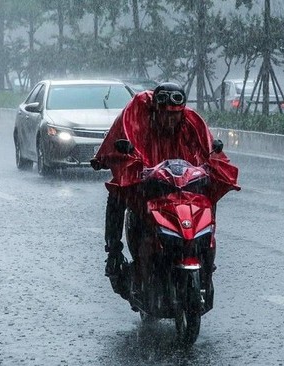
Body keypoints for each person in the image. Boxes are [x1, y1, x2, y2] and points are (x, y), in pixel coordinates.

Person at [90, 81, 240, 296]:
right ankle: (113, 252)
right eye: (165, 114)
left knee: (208, 195)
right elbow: (121, 138)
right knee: (117, 193)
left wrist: (211, 164)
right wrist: (127, 160)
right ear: (155, 111)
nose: (170, 119)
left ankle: (205, 251)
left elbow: (208, 151)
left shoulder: (191, 122)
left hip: (183, 180)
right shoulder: (137, 115)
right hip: (148, 176)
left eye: (175, 115)